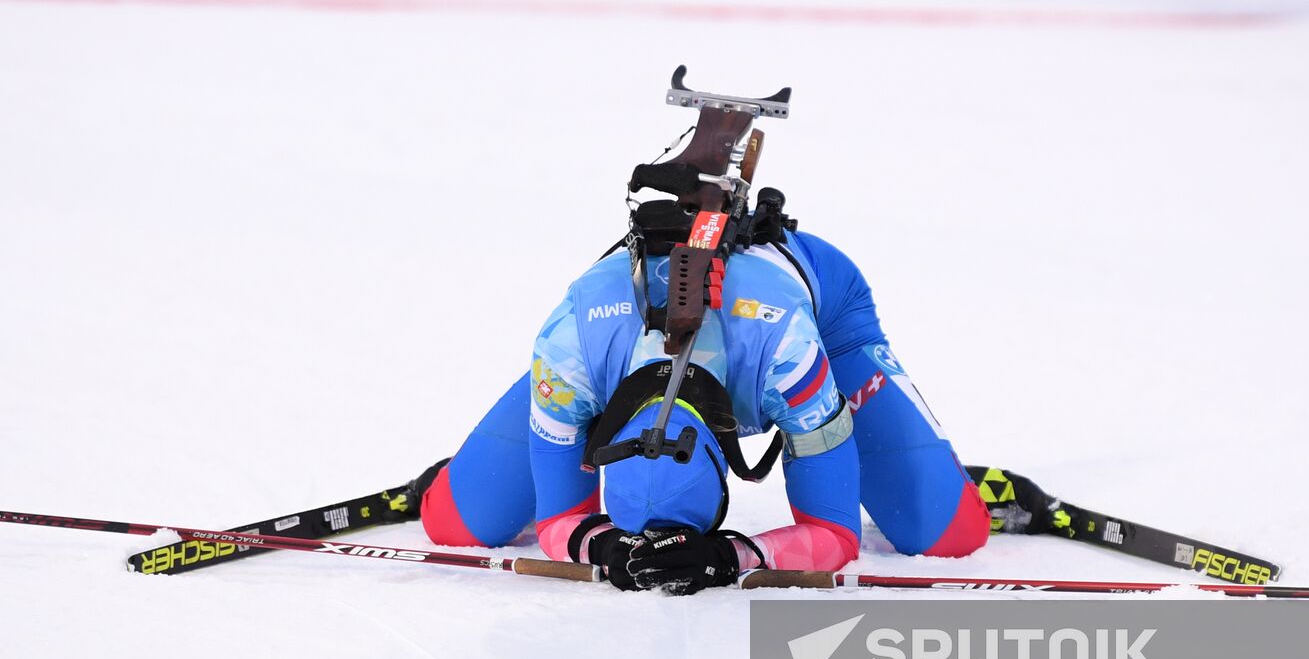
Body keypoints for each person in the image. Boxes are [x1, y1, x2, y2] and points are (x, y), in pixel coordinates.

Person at [398, 205, 993, 594]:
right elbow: (561, 520)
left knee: (946, 533)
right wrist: (601, 541)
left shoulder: (790, 363)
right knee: (457, 522)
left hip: (819, 304)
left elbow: (836, 537)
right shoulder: (567, 356)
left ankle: (942, 467)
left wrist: (735, 556)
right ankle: (465, 469)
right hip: (605, 334)